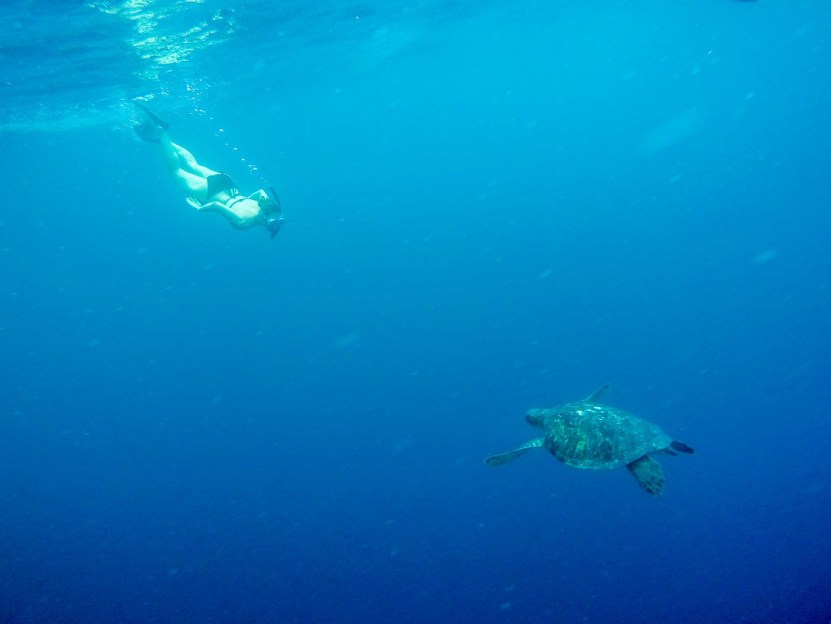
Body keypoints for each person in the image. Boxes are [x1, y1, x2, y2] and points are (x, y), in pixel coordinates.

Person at [134, 101, 284, 238]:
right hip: (211, 194)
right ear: (265, 223)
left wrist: (244, 201)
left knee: (194, 165)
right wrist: (200, 208)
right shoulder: (243, 222)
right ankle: (163, 132)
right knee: (176, 171)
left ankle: (164, 140)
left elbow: (260, 191)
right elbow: (216, 205)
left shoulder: (264, 204)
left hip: (228, 184)